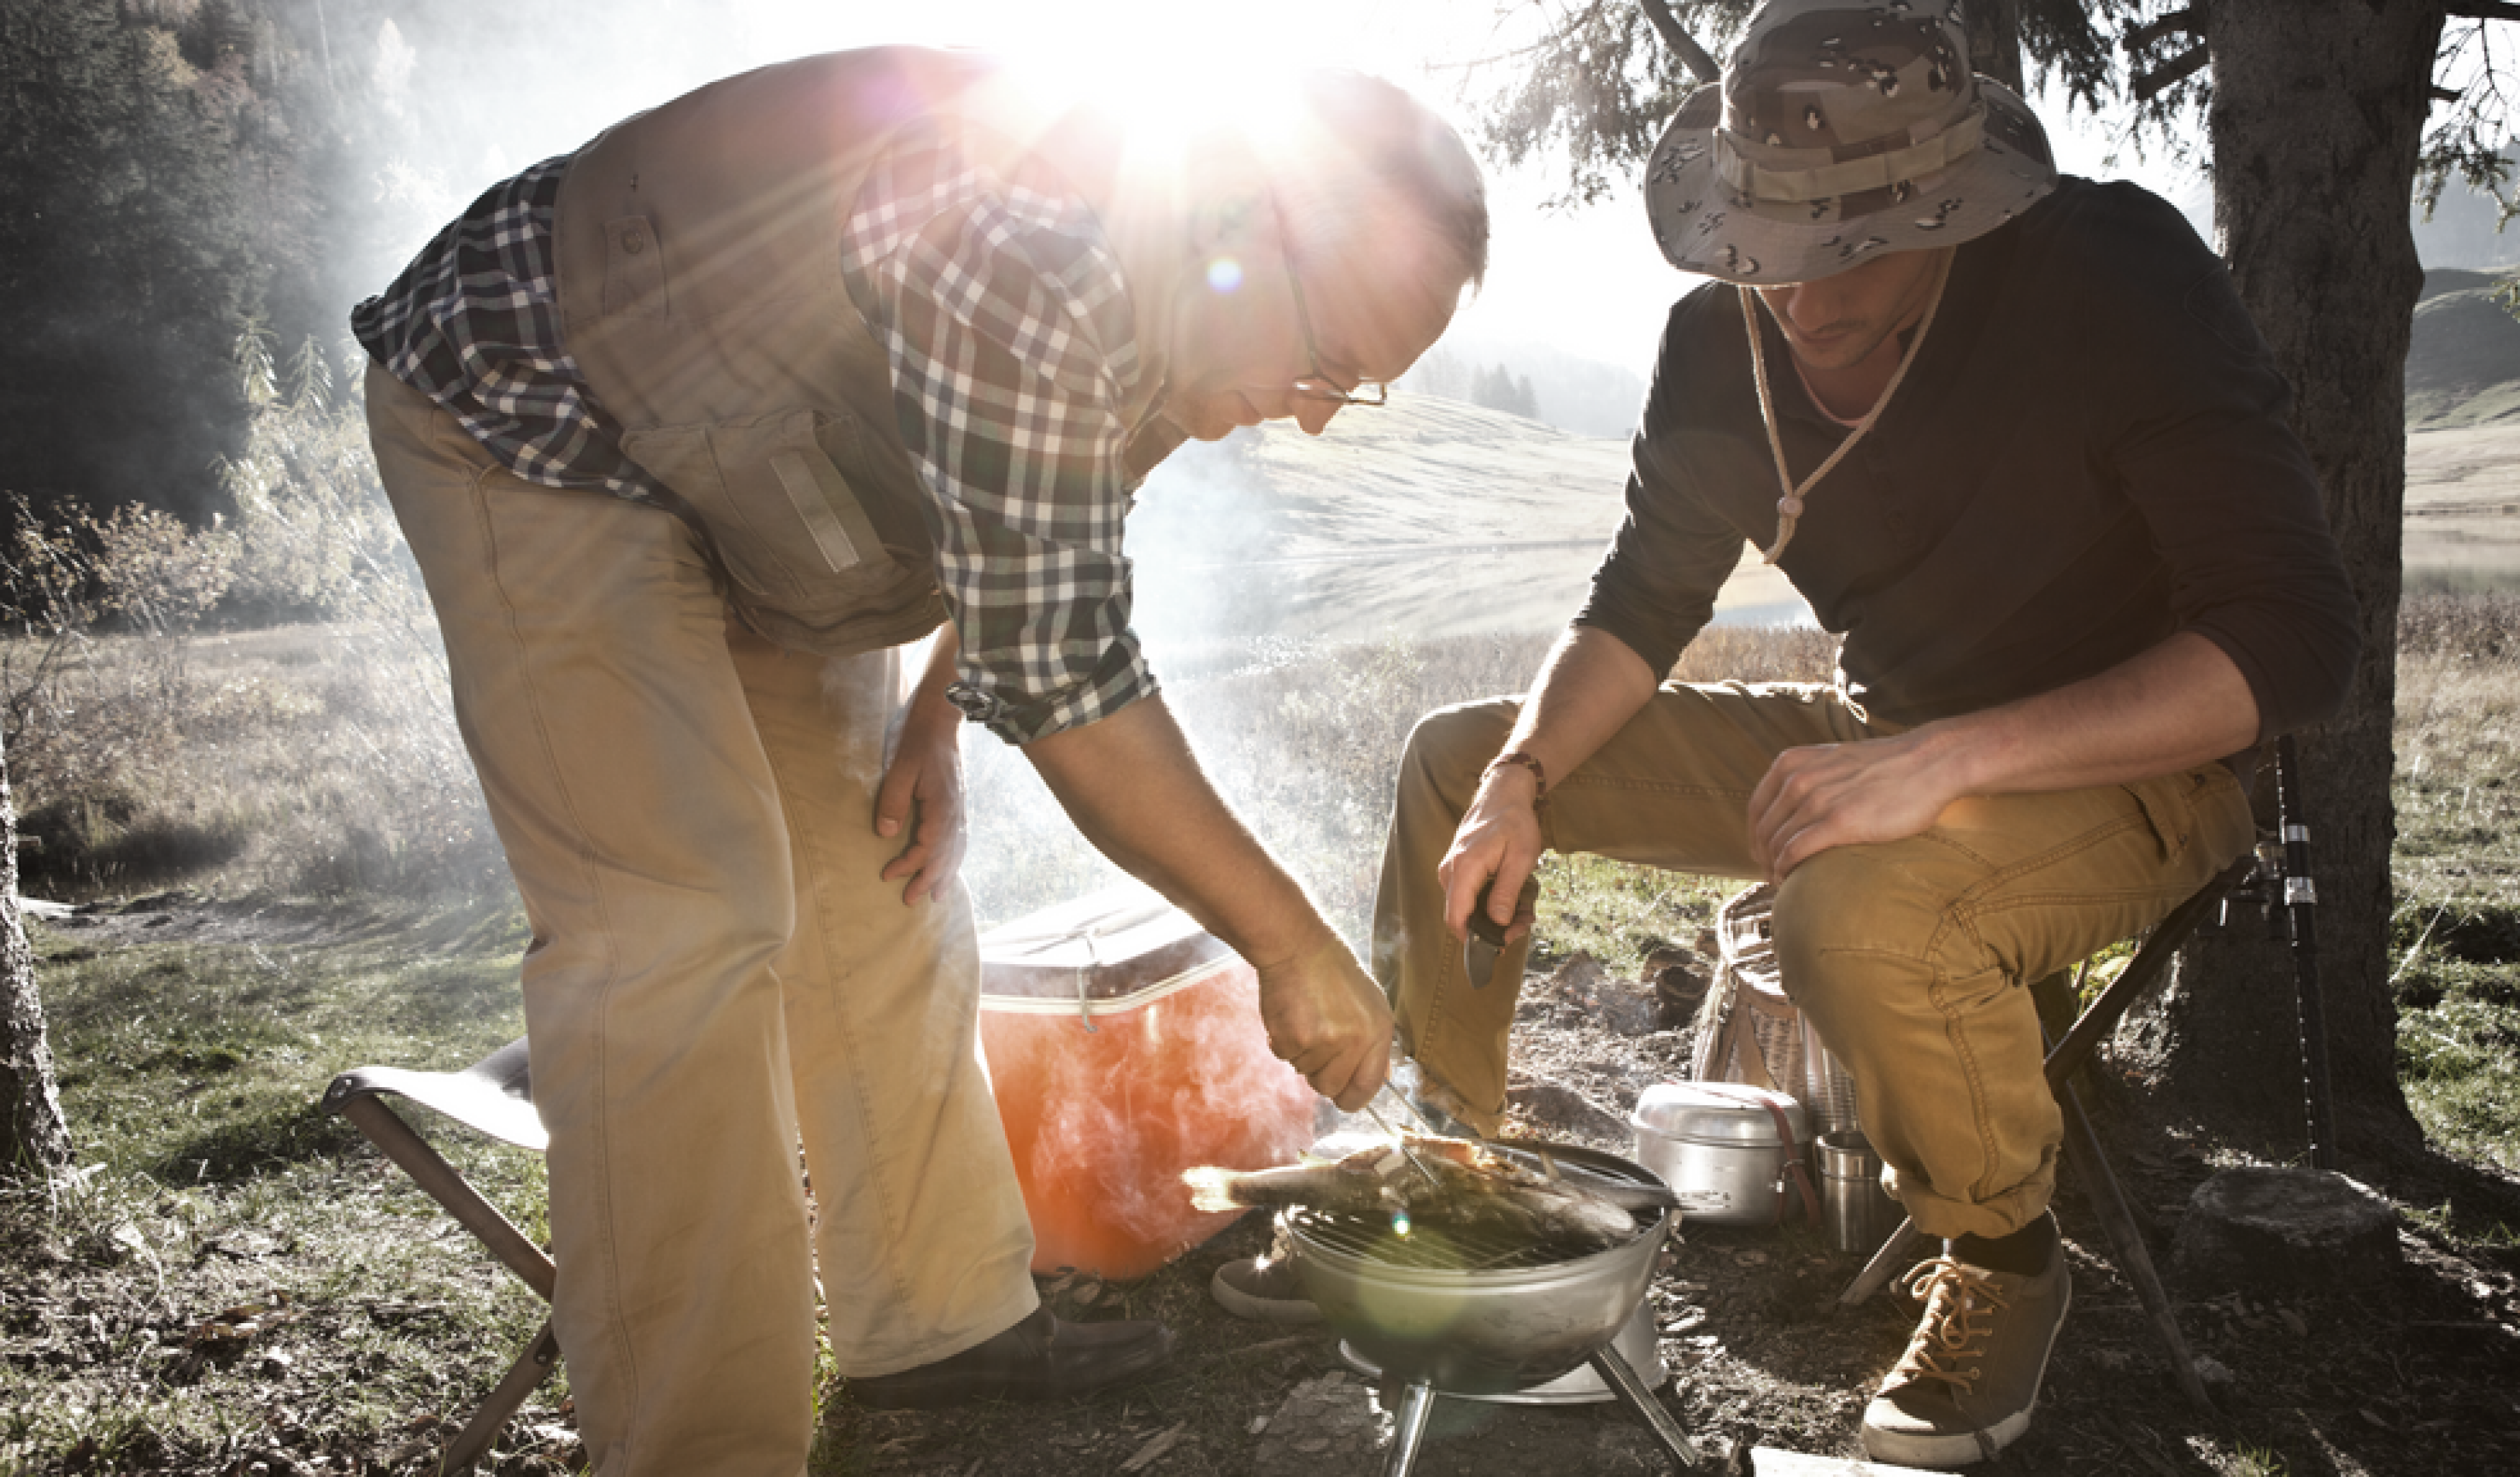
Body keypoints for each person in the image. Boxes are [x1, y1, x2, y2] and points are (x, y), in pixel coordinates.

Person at [353, 46, 1484, 1476]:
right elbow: (1071, 684)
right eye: (1326, 361)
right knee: (686, 928)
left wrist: (938, 714)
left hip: (769, 497)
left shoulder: (1172, 299)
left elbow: (1042, 548)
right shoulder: (1032, 239)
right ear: (1245, 226)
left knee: (881, 882)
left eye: (1359, 390)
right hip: (541, 406)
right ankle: (699, 1447)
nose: (1316, 409)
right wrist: (1289, 941)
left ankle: (939, 1321)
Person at [1360, 1, 2359, 1467]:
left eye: (1858, 249)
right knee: (1462, 758)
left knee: (1861, 904)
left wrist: (1948, 761)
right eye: (1768, 247)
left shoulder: (2110, 281)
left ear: (1958, 208)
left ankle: (2006, 1268)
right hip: (1884, 730)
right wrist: (1521, 777)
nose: (1805, 300)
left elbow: (2293, 643)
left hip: (2141, 763)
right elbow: (1639, 604)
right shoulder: (1719, 346)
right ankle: (1452, 1177)